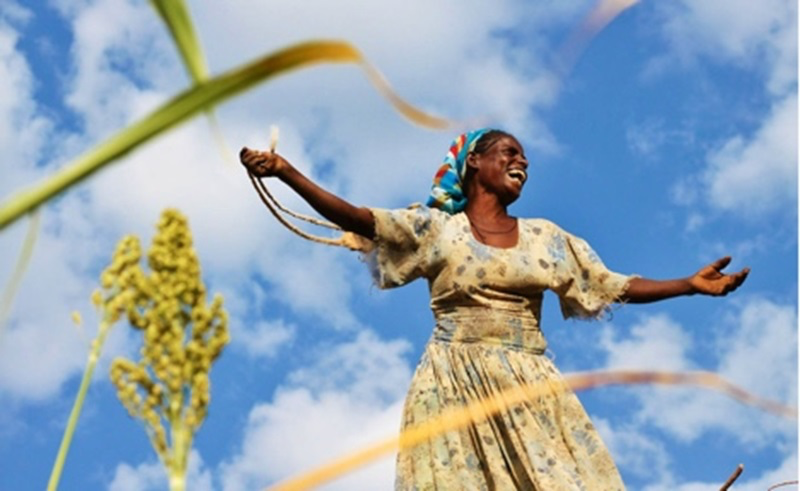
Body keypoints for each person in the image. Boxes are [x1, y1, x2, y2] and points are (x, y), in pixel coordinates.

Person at [239, 129, 749, 490]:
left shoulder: (547, 238)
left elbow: (608, 284)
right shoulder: (437, 229)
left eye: (525, 157)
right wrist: (286, 172)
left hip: (529, 381)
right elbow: (360, 218)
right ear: (475, 165)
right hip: (453, 380)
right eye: (508, 152)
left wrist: (687, 284)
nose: (520, 162)